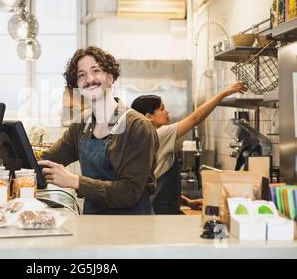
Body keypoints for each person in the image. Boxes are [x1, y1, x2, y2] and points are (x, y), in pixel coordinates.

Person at [38, 46, 158, 215]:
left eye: (96, 70)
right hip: (93, 224)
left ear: (110, 77)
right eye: (81, 75)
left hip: (132, 227)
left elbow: (129, 192)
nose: (89, 79)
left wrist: (75, 181)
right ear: (78, 86)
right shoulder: (81, 125)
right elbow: (47, 160)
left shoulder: (137, 127)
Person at [131, 82, 247, 215]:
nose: (166, 111)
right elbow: (195, 119)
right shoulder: (159, 133)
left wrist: (186, 201)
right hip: (160, 210)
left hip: (154, 206)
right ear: (149, 117)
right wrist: (223, 94)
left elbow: (155, 183)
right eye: (162, 109)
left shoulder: (142, 136)